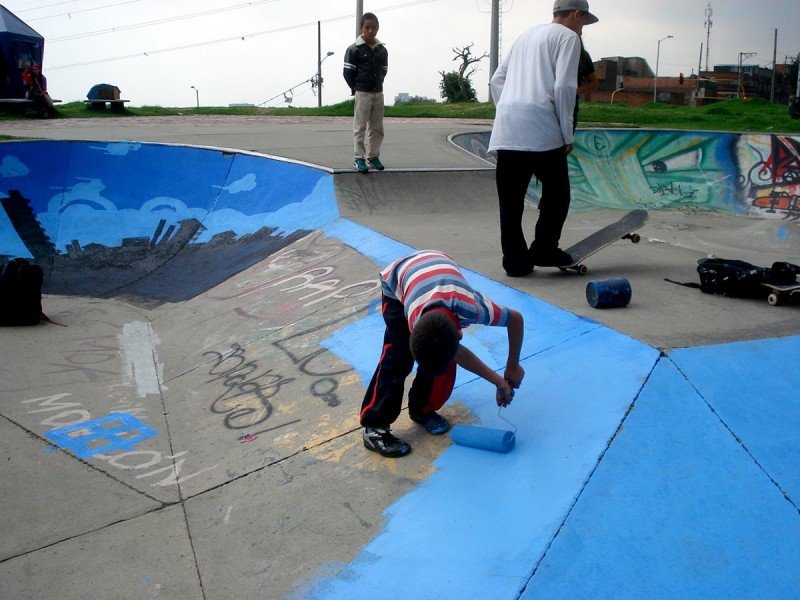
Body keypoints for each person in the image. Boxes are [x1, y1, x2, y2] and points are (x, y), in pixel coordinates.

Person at [359, 250, 525, 457]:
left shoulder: (473, 307)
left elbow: (516, 319)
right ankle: (374, 426)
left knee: (441, 362)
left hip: (436, 266)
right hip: (398, 280)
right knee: (397, 357)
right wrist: (498, 381)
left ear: (458, 333)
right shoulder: (414, 315)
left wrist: (512, 366)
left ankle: (422, 409)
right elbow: (449, 351)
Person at [488, 0, 599, 276]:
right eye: (583, 23)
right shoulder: (569, 38)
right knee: (558, 194)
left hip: (507, 127)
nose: (582, 30)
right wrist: (566, 131)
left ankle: (515, 262)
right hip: (542, 128)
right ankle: (544, 248)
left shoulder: (526, 36)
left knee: (510, 201)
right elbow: (564, 86)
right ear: (576, 15)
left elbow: (496, 80)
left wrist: (509, 107)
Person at [343, 12, 388, 174]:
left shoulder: (382, 50)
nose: (371, 31)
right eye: (367, 27)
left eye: (374, 27)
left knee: (377, 127)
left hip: (378, 93)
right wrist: (356, 88)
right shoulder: (354, 49)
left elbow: (384, 70)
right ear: (361, 28)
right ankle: (359, 158)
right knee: (360, 127)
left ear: (378, 29)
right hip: (362, 93)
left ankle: (373, 156)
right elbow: (348, 73)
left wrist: (377, 84)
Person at [574, 40, 598, 132]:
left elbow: (593, 83)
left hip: (570, 106)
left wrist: (574, 91)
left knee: (566, 142)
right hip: (546, 105)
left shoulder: (583, 56)